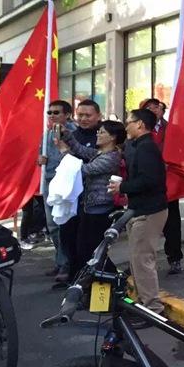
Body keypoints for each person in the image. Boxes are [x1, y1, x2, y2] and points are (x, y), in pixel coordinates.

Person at [109, 108, 168, 316]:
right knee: (137, 260)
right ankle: (144, 303)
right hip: (140, 209)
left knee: (142, 260)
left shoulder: (147, 148)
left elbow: (150, 180)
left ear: (140, 124)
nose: (126, 127)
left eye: (129, 122)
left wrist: (123, 187)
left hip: (149, 211)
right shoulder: (138, 146)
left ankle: (153, 309)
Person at [57, 120, 126, 280]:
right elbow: (80, 149)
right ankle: (97, 280)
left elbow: (82, 170)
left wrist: (64, 153)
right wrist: (66, 135)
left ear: (112, 137)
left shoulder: (111, 158)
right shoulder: (100, 153)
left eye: (102, 132)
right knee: (87, 248)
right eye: (98, 131)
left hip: (101, 209)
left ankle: (112, 277)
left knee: (91, 248)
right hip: (90, 207)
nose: (98, 134)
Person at [57, 99, 102, 288]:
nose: (83, 119)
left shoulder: (103, 136)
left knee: (88, 241)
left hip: (93, 197)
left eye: (88, 115)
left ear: (98, 116)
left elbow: (91, 159)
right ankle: (72, 274)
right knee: (67, 235)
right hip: (70, 196)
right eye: (80, 115)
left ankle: (88, 278)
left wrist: (67, 152)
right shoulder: (72, 135)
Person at [141, 97, 182, 274]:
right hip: (146, 183)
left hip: (168, 183)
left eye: (156, 107)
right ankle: (145, 261)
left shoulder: (172, 129)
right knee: (145, 224)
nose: (153, 110)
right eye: (148, 108)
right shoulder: (139, 130)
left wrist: (172, 160)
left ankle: (175, 258)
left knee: (172, 223)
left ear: (162, 110)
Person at [37, 99, 77, 282]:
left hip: (66, 185)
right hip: (49, 183)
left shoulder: (73, 133)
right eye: (50, 112)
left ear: (67, 114)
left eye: (56, 112)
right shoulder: (47, 134)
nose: (52, 116)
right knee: (53, 225)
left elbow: (76, 157)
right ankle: (60, 260)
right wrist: (40, 160)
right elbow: (41, 157)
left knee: (65, 225)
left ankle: (68, 263)